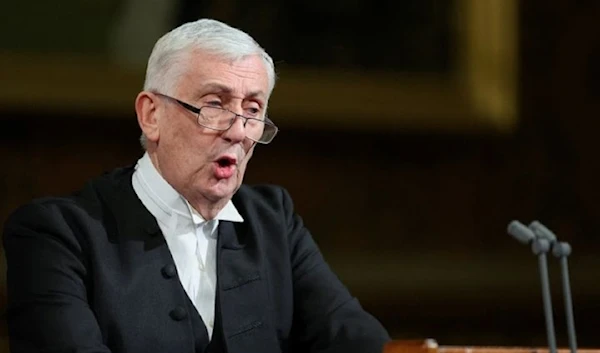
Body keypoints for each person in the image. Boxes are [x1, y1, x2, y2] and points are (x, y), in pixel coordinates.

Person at [2, 19, 391, 353]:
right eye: (215, 105)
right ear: (151, 115)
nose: (238, 131)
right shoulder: (55, 234)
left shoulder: (274, 221)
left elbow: (358, 341)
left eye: (253, 111)